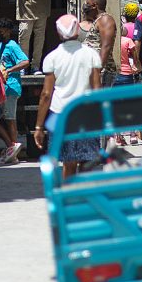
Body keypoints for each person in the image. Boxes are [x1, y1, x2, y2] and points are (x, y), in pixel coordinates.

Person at [34, 15, 102, 179]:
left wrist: (38, 127)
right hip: (86, 114)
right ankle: (84, 197)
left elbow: (46, 94)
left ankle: (69, 198)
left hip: (61, 114)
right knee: (87, 162)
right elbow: (97, 89)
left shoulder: (52, 57)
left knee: (68, 163)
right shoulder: (91, 55)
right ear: (78, 30)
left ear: (58, 33)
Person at [0, 18, 30, 165]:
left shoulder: (13, 45)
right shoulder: (2, 44)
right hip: (3, 88)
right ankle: (11, 146)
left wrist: (9, 70)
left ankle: (13, 153)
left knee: (10, 119)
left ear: (8, 31)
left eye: (1, 31)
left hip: (11, 87)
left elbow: (25, 61)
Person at [81, 0, 117, 87]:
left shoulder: (105, 19)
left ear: (94, 5)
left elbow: (106, 46)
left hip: (103, 73)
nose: (85, 6)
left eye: (87, 3)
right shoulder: (97, 21)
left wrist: (97, 72)